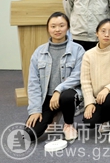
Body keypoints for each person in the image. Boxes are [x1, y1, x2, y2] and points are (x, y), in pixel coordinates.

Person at [25, 12, 85, 141]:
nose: (57, 29)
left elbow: (78, 76)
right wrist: (35, 110)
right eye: (53, 26)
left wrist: (58, 90)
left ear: (68, 27)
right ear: (48, 28)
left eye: (61, 25)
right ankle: (54, 114)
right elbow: (33, 83)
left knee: (67, 96)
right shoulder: (39, 52)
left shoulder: (78, 50)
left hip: (68, 94)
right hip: (47, 97)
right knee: (30, 134)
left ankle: (68, 125)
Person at [81, 19, 110, 143]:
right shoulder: (88, 54)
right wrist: (89, 103)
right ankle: (109, 117)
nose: (107, 35)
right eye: (103, 31)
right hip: (98, 98)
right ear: (97, 33)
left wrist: (107, 89)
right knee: (90, 122)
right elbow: (85, 82)